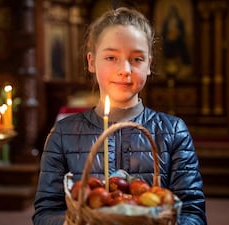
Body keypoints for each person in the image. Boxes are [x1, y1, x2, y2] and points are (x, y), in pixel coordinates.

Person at [32, 7, 206, 225]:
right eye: (111, 57)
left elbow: (193, 211)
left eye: (137, 58)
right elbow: (46, 212)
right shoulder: (63, 133)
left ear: (149, 65)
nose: (125, 69)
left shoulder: (173, 131)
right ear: (91, 62)